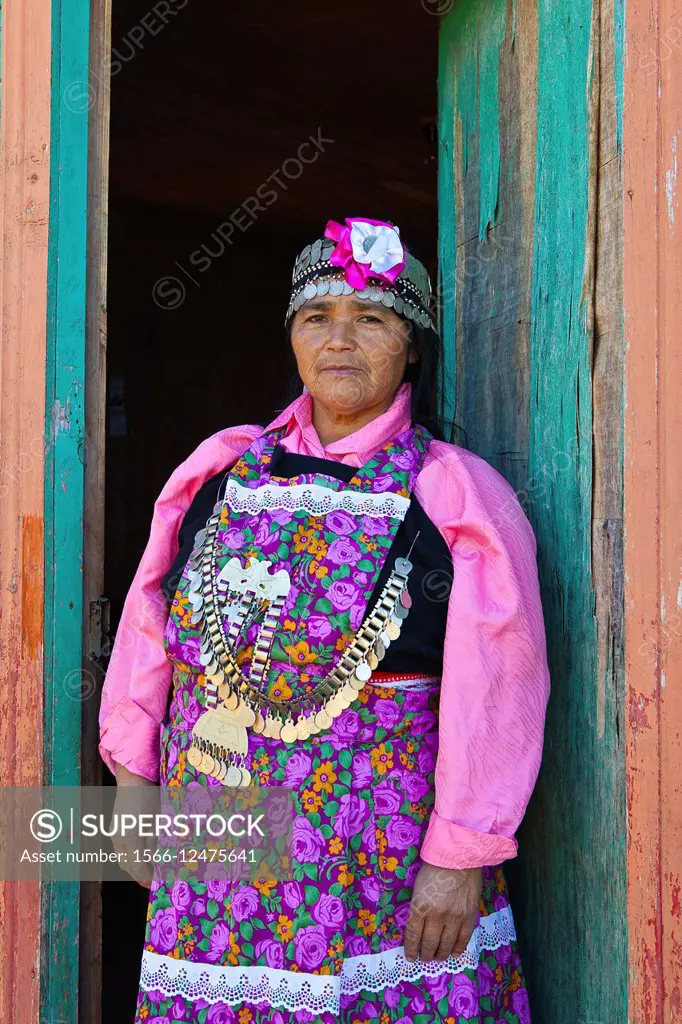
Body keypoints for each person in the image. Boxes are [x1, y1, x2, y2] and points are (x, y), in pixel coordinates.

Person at [99, 215, 551, 1024]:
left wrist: (459, 858)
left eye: (371, 318)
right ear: (293, 338)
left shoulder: (455, 491)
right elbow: (149, 621)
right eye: (318, 318)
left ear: (411, 344)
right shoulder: (221, 468)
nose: (340, 339)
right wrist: (134, 780)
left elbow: (501, 684)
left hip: (377, 847)